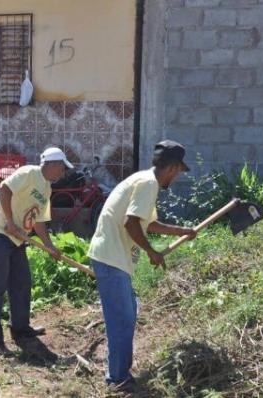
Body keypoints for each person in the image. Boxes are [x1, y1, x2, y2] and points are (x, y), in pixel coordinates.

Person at [88, 140, 197, 392]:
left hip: (112, 257)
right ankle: (117, 378)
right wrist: (152, 252)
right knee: (121, 319)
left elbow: (148, 224)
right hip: (111, 257)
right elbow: (131, 223)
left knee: (127, 313)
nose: (178, 176)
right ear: (172, 167)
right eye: (179, 171)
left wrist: (182, 231)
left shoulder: (143, 180)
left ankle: (118, 372)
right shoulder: (148, 184)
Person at [0, 147, 72, 354]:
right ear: (53, 164)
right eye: (62, 169)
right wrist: (10, 221)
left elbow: (38, 221)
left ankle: (20, 329)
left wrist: (49, 245)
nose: (62, 173)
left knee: (21, 283)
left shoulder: (46, 188)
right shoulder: (29, 173)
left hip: (16, 238)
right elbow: (4, 189)